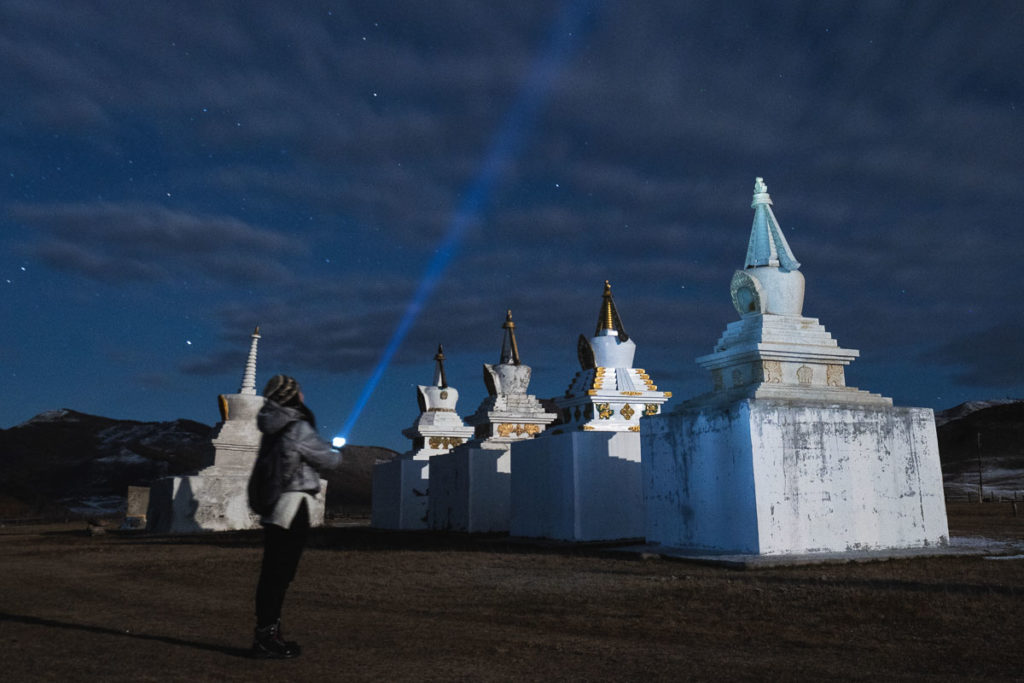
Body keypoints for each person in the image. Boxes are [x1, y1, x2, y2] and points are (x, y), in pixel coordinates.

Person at [251, 374, 342, 659]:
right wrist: (334, 448)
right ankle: (268, 638)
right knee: (281, 574)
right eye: (299, 391)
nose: (303, 396)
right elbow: (329, 459)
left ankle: (268, 633)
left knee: (272, 574)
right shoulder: (296, 426)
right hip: (293, 504)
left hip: (274, 505)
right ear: (291, 395)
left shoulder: (271, 426)